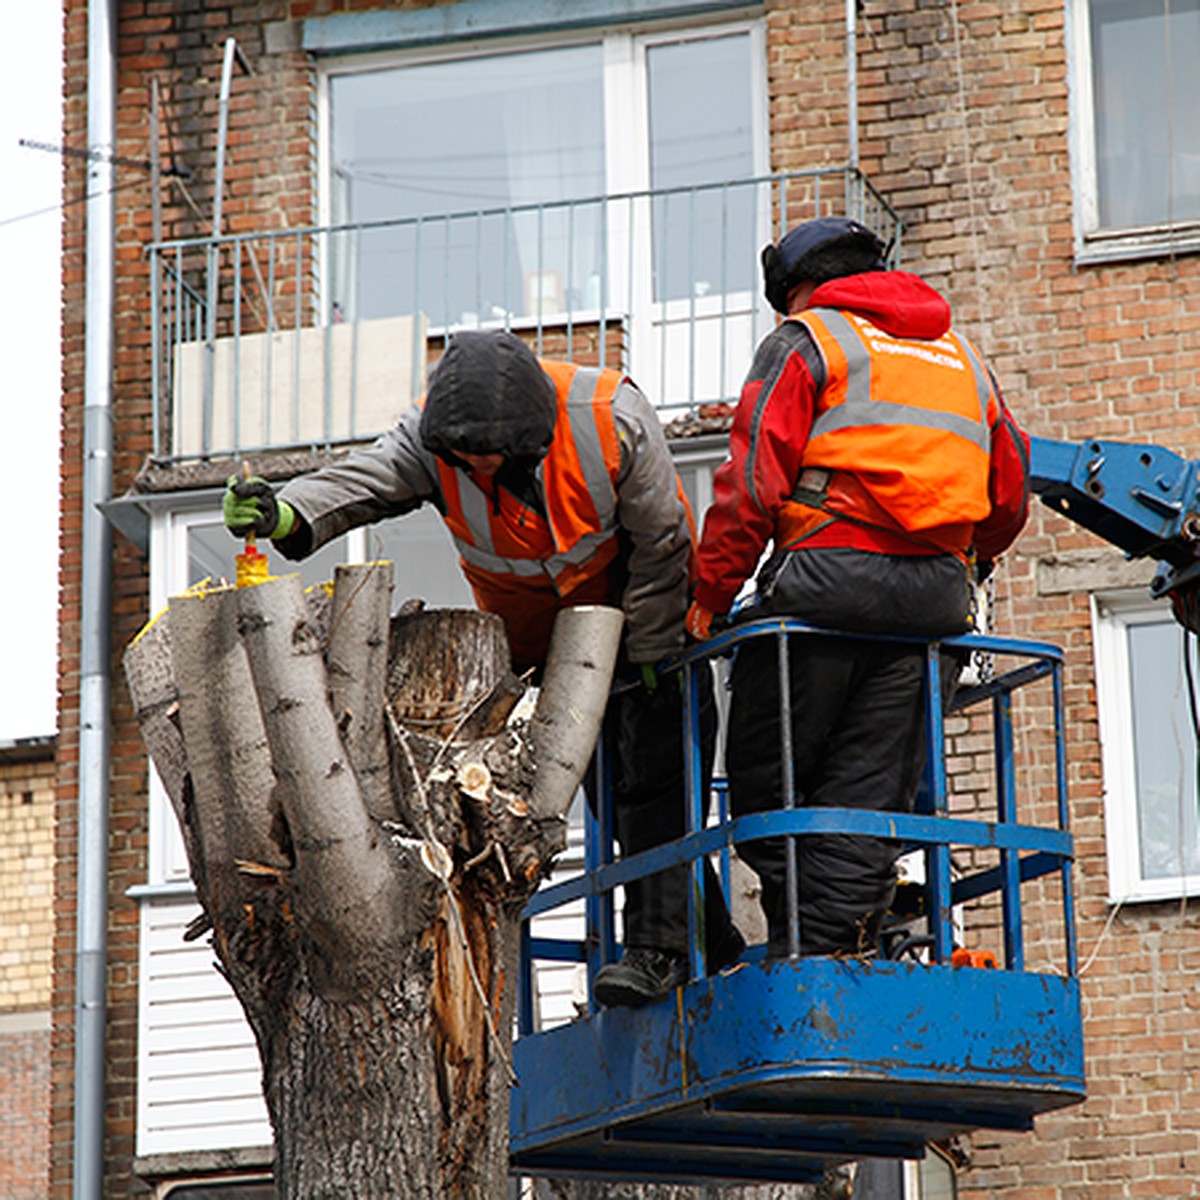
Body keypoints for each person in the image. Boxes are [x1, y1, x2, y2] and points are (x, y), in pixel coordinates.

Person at [223, 328, 743, 1005]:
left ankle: (657, 951)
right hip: (543, 655)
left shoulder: (611, 417)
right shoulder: (430, 436)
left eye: (493, 458)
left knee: (657, 796)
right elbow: (365, 479)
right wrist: (288, 512)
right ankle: (716, 937)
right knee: (618, 813)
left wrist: (650, 646)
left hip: (644, 637)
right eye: (465, 460)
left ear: (531, 433)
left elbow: (663, 540)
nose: (480, 471)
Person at [685, 216, 1030, 959]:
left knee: (770, 790)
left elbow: (749, 484)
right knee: (866, 798)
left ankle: (810, 950)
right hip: (935, 603)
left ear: (800, 290)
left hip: (823, 593)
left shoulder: (810, 341)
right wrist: (970, 560)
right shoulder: (964, 359)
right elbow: (1009, 494)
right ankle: (827, 949)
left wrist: (709, 597)